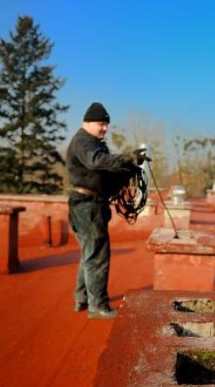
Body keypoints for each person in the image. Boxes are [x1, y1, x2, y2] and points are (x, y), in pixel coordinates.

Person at [66, 102, 146, 319]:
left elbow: (107, 174)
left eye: (106, 125)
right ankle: (97, 306)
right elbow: (97, 162)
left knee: (90, 253)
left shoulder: (94, 143)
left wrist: (130, 168)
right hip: (87, 207)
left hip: (91, 205)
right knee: (97, 256)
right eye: (101, 124)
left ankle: (82, 298)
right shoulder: (84, 142)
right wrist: (127, 158)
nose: (104, 128)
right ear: (87, 123)